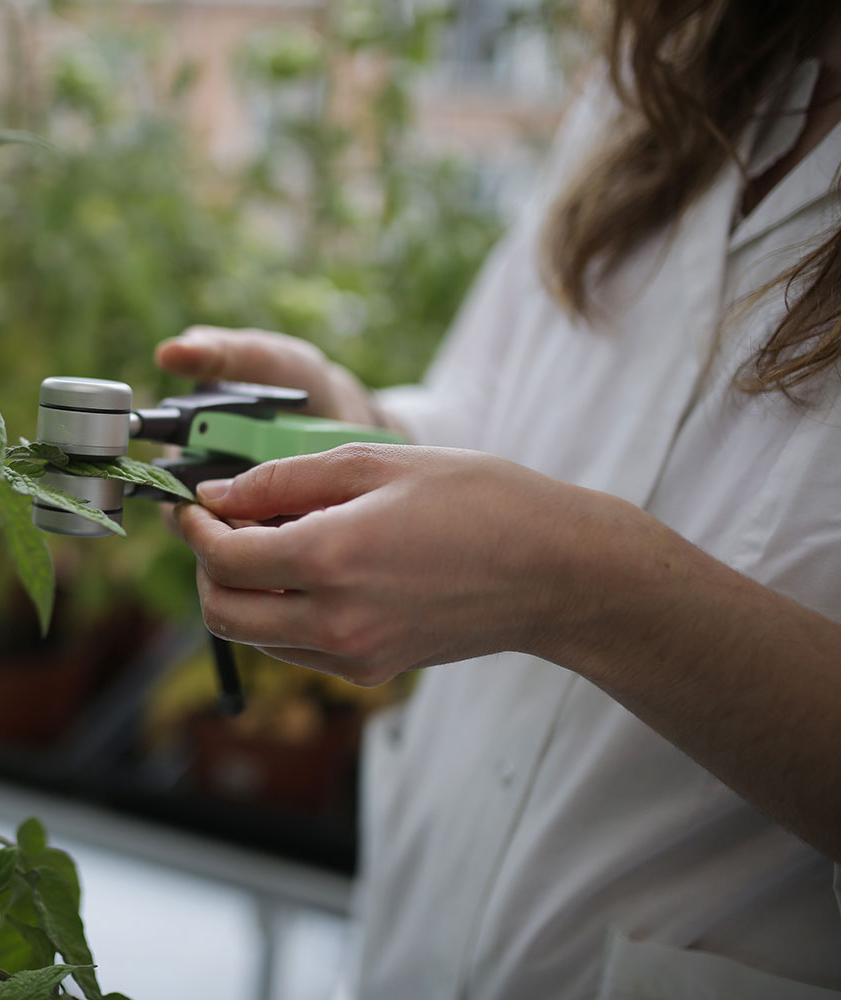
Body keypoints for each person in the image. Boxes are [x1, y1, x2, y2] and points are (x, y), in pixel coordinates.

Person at [158, 2, 841, 997]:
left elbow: (557, 544)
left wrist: (578, 582)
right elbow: (504, 404)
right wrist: (354, 435)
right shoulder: (673, 63)